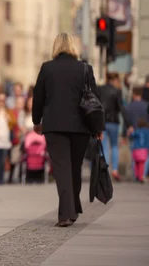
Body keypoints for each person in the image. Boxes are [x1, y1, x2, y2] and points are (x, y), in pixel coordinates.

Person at [32, 32, 102, 227]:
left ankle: (66, 214)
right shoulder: (85, 69)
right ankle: (72, 208)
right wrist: (97, 127)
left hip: (54, 125)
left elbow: (38, 97)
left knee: (62, 169)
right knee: (74, 167)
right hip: (81, 126)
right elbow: (95, 99)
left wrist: (36, 121)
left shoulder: (47, 68)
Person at [98, 73, 126, 181]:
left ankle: (103, 170)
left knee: (104, 146)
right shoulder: (117, 91)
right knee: (114, 146)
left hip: (102, 122)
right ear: (115, 80)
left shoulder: (100, 89)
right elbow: (121, 107)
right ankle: (114, 170)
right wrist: (128, 124)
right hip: (114, 122)